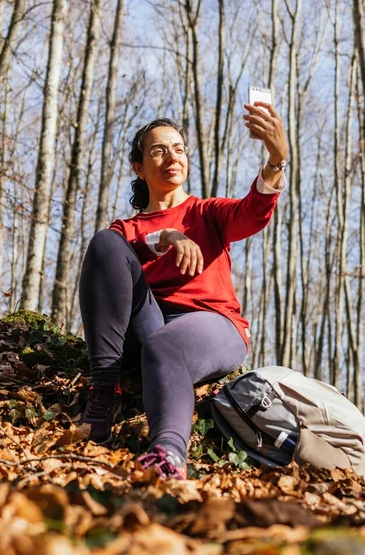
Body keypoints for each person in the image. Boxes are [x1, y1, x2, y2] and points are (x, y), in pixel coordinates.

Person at [79, 102, 288, 480]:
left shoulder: (208, 213)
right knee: (105, 245)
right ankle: (104, 390)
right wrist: (167, 236)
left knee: (167, 343)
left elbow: (253, 212)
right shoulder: (126, 230)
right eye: (158, 150)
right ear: (138, 167)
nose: (171, 156)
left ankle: (169, 455)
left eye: (178, 148)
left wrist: (275, 160)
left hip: (212, 327)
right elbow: (113, 260)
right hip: (148, 327)